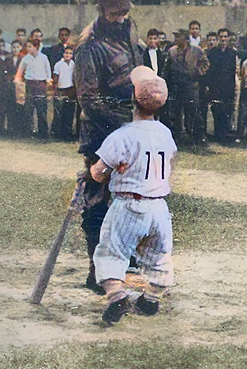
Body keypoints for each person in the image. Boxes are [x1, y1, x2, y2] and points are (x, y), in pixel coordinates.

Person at [90, 66, 177, 324]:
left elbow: (98, 172)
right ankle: (151, 298)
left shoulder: (124, 134)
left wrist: (98, 171)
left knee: (110, 252)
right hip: (160, 207)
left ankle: (118, 297)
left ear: (133, 100)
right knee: (159, 255)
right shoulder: (165, 132)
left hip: (130, 205)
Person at [73, 0, 144, 293]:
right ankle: (97, 271)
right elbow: (88, 98)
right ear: (102, 10)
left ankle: (125, 264)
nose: (121, 18)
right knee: (98, 204)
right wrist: (122, 130)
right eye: (115, 13)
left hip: (133, 130)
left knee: (133, 202)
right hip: (103, 135)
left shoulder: (130, 37)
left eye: (125, 12)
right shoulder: (89, 46)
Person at [162, 29, 209, 144]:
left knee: (194, 112)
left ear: (185, 39)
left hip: (190, 86)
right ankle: (176, 137)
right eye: (175, 37)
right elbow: (166, 68)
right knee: (175, 113)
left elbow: (205, 64)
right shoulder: (172, 51)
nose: (176, 39)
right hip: (176, 86)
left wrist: (196, 73)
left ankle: (197, 136)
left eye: (179, 37)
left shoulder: (196, 50)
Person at [14, 38, 52, 139]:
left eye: (30, 46)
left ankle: (43, 133)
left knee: (42, 110)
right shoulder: (25, 59)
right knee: (29, 109)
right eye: (27, 46)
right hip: (29, 85)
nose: (28, 48)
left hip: (41, 85)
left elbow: (48, 72)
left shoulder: (44, 57)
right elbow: (19, 73)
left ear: (36, 47)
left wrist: (47, 83)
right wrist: (19, 85)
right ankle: (29, 132)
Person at [206, 28, 236, 142]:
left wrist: (232, 87)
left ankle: (225, 134)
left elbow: (232, 71)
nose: (223, 39)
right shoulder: (212, 53)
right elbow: (210, 71)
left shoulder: (232, 53)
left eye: (225, 37)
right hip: (216, 86)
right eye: (221, 37)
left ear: (228, 38)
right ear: (218, 38)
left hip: (227, 86)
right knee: (217, 110)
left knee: (226, 111)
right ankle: (218, 134)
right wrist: (210, 86)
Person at [51, 45, 76, 141]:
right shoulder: (58, 64)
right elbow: (55, 78)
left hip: (70, 90)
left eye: (70, 53)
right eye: (66, 53)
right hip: (60, 90)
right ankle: (57, 132)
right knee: (59, 112)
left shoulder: (73, 64)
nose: (68, 55)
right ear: (63, 53)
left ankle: (67, 132)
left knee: (69, 112)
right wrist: (55, 90)